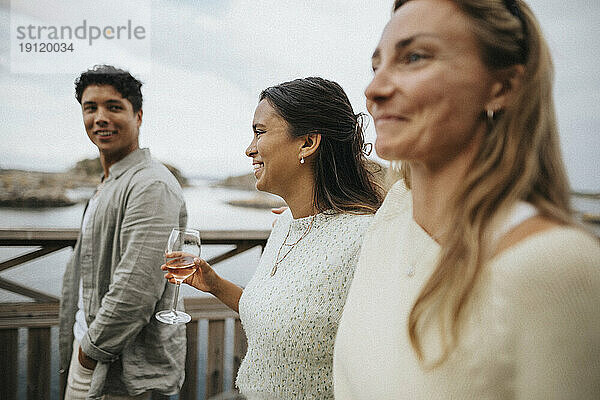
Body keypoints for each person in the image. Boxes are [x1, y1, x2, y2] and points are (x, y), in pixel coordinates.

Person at [333, 0, 600, 399]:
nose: (374, 89)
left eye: (414, 57)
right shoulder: (392, 216)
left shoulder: (556, 266)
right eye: (377, 65)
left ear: (503, 87)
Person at [163, 77, 384, 399]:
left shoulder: (366, 238)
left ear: (307, 142)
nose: (249, 148)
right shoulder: (284, 225)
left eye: (260, 131)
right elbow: (283, 318)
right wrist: (216, 285)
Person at [59, 65, 188, 399]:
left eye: (113, 107)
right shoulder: (110, 181)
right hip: (92, 350)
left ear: (138, 116)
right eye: (91, 108)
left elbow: (137, 287)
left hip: (119, 369)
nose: (100, 117)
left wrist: (89, 353)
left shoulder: (151, 184)